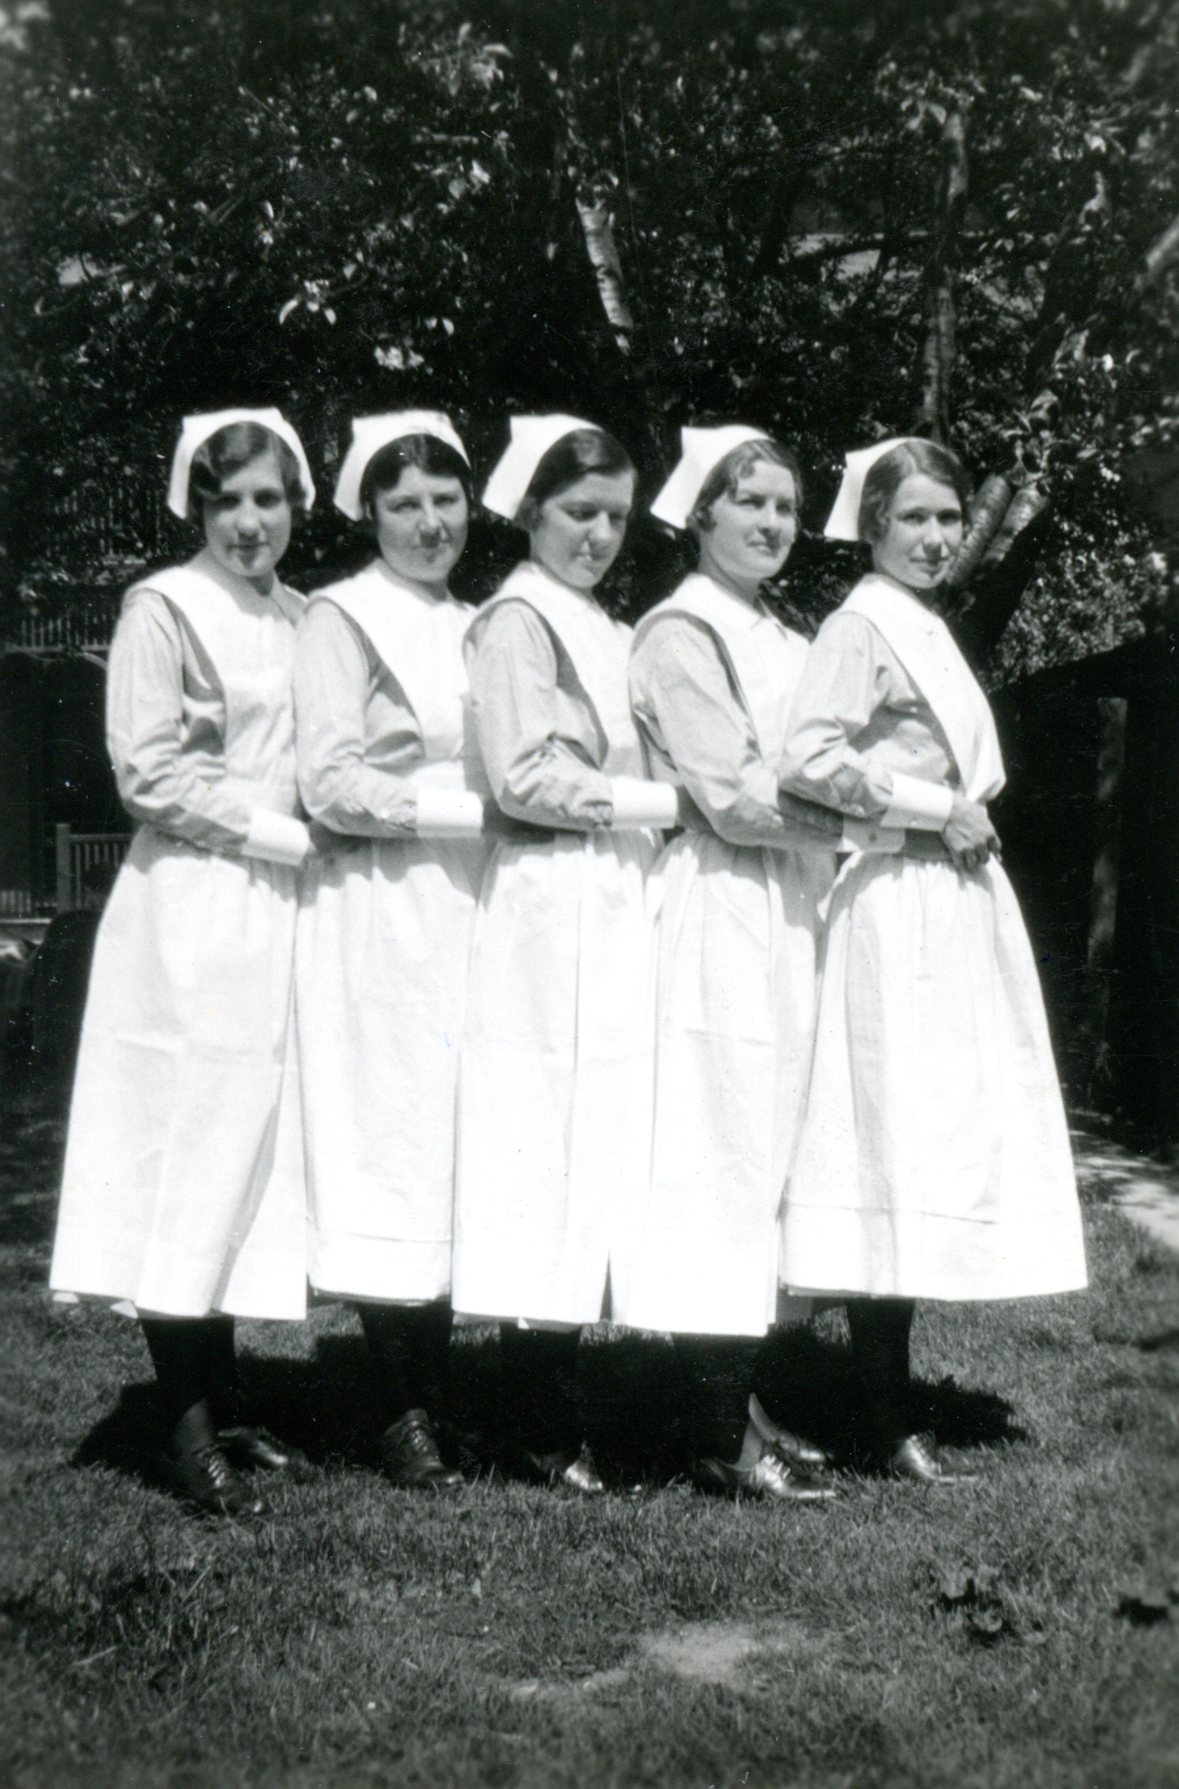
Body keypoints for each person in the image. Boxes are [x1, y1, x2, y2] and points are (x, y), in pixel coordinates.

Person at [778, 436, 1088, 1482]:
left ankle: (878, 1393)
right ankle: (880, 1407)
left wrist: (956, 817)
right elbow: (809, 759)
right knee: (889, 1144)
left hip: (948, 905)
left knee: (938, 1137)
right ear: (871, 527)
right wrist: (930, 807)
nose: (935, 536)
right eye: (911, 518)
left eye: (948, 518)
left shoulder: (925, 626)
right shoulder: (861, 625)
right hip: (896, 904)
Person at [49, 408, 326, 1515]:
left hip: (285, 903)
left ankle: (227, 1396)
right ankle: (183, 1425)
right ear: (194, 508)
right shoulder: (162, 607)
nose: (250, 522)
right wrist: (274, 834)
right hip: (195, 901)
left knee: (249, 1148)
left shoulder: (307, 616)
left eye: (269, 499)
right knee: (186, 1140)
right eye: (227, 502)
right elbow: (148, 775)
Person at [451, 415, 678, 1494]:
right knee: (542, 1138)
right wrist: (659, 804)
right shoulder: (517, 617)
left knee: (593, 1138)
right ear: (530, 510)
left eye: (616, 518)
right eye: (578, 513)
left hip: (607, 892)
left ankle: (554, 1401)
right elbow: (521, 776)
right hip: (550, 896)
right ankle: (529, 1419)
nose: (597, 535)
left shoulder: (598, 619)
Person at [616, 425, 842, 1501]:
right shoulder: (680, 627)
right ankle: (715, 1437)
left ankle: (737, 1399)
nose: (768, 523)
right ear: (696, 513)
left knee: (767, 1150)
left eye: (785, 508)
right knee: (720, 1151)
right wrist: (871, 822)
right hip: (723, 903)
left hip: (787, 902)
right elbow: (735, 793)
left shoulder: (784, 636)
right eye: (745, 501)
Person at [295, 411, 492, 1492]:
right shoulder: (342, 616)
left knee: (455, 1137)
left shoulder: (476, 622)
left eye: (445, 500)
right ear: (367, 511)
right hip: (381, 902)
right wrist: (471, 816)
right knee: (392, 1135)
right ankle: (394, 1404)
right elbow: (329, 782)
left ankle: (441, 1388)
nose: (428, 522)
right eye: (404, 503)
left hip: (471, 902)